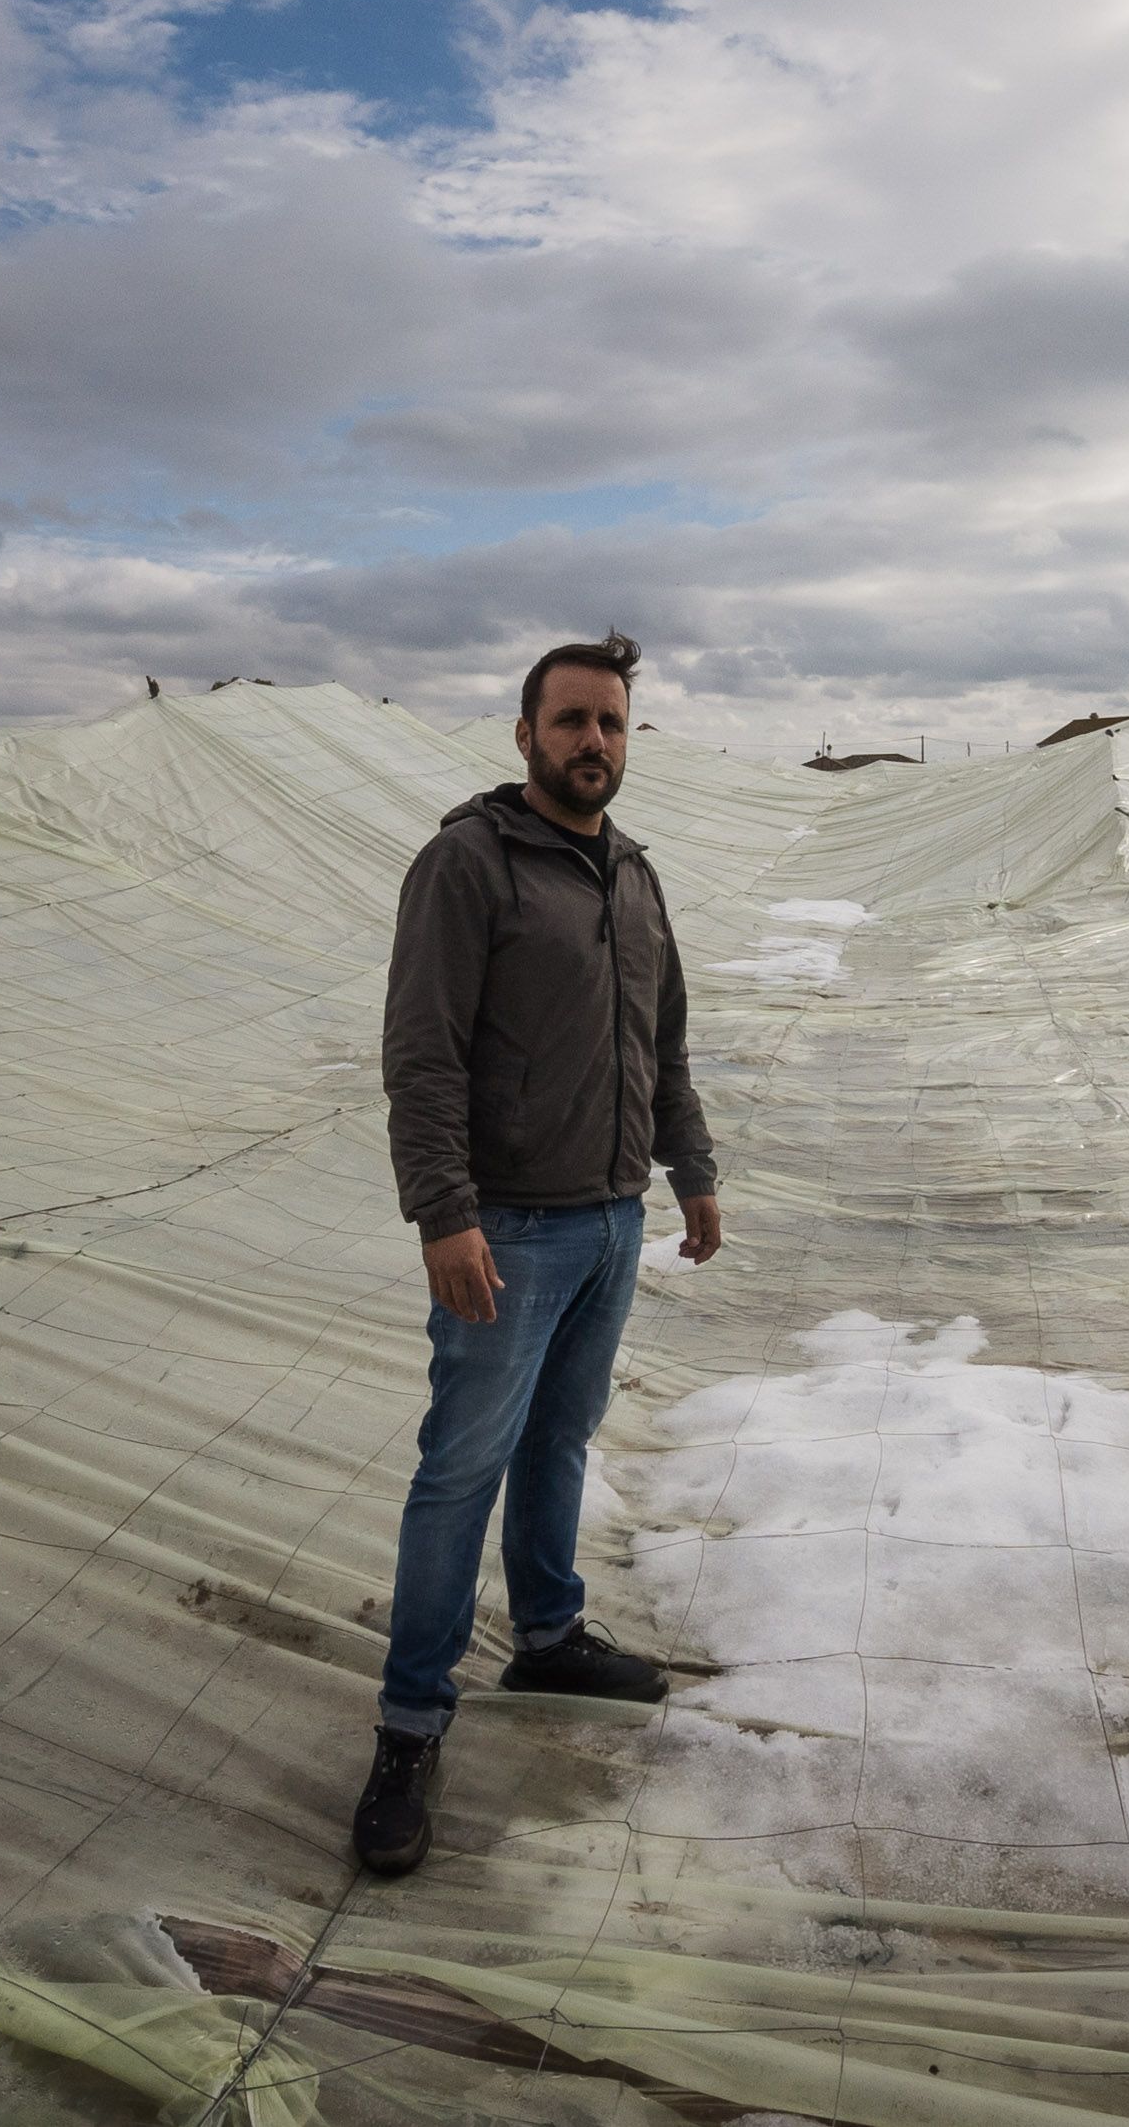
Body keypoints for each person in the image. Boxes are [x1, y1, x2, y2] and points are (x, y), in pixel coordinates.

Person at [356, 630, 724, 1876]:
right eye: (570, 722)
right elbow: (421, 1054)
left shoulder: (632, 873)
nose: (592, 744)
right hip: (507, 1227)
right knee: (459, 1469)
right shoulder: (470, 863)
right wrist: (444, 1214)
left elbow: (662, 1044)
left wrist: (694, 1170)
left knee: (561, 1441)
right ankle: (411, 1722)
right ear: (524, 733)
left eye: (612, 724)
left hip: (613, 1219)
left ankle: (550, 1631)